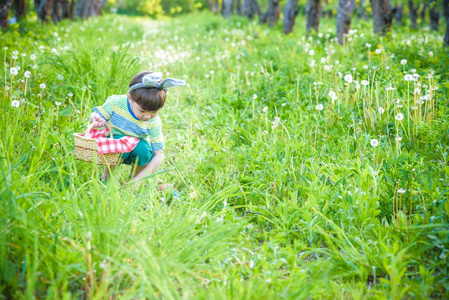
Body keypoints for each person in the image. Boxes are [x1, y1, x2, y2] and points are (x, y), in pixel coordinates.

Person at [89, 71, 185, 184]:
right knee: (118, 145)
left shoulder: (154, 121)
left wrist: (139, 180)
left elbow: (159, 154)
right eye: (142, 111)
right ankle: (106, 178)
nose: (147, 116)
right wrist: (95, 118)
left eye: (154, 111)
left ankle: (134, 179)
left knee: (143, 151)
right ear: (130, 99)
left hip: (136, 144)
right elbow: (97, 116)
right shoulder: (116, 102)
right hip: (115, 140)